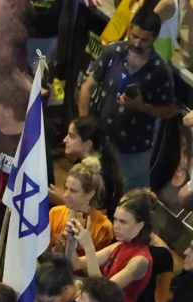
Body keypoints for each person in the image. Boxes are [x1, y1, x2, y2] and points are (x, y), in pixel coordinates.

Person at [77, 5, 179, 189]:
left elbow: (170, 111)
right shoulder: (112, 53)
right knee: (93, 191)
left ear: (154, 38)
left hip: (134, 152)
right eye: (135, 36)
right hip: (102, 142)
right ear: (130, 29)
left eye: (144, 40)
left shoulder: (160, 70)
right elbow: (86, 87)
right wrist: (85, 125)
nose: (138, 43)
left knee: (130, 201)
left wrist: (142, 107)